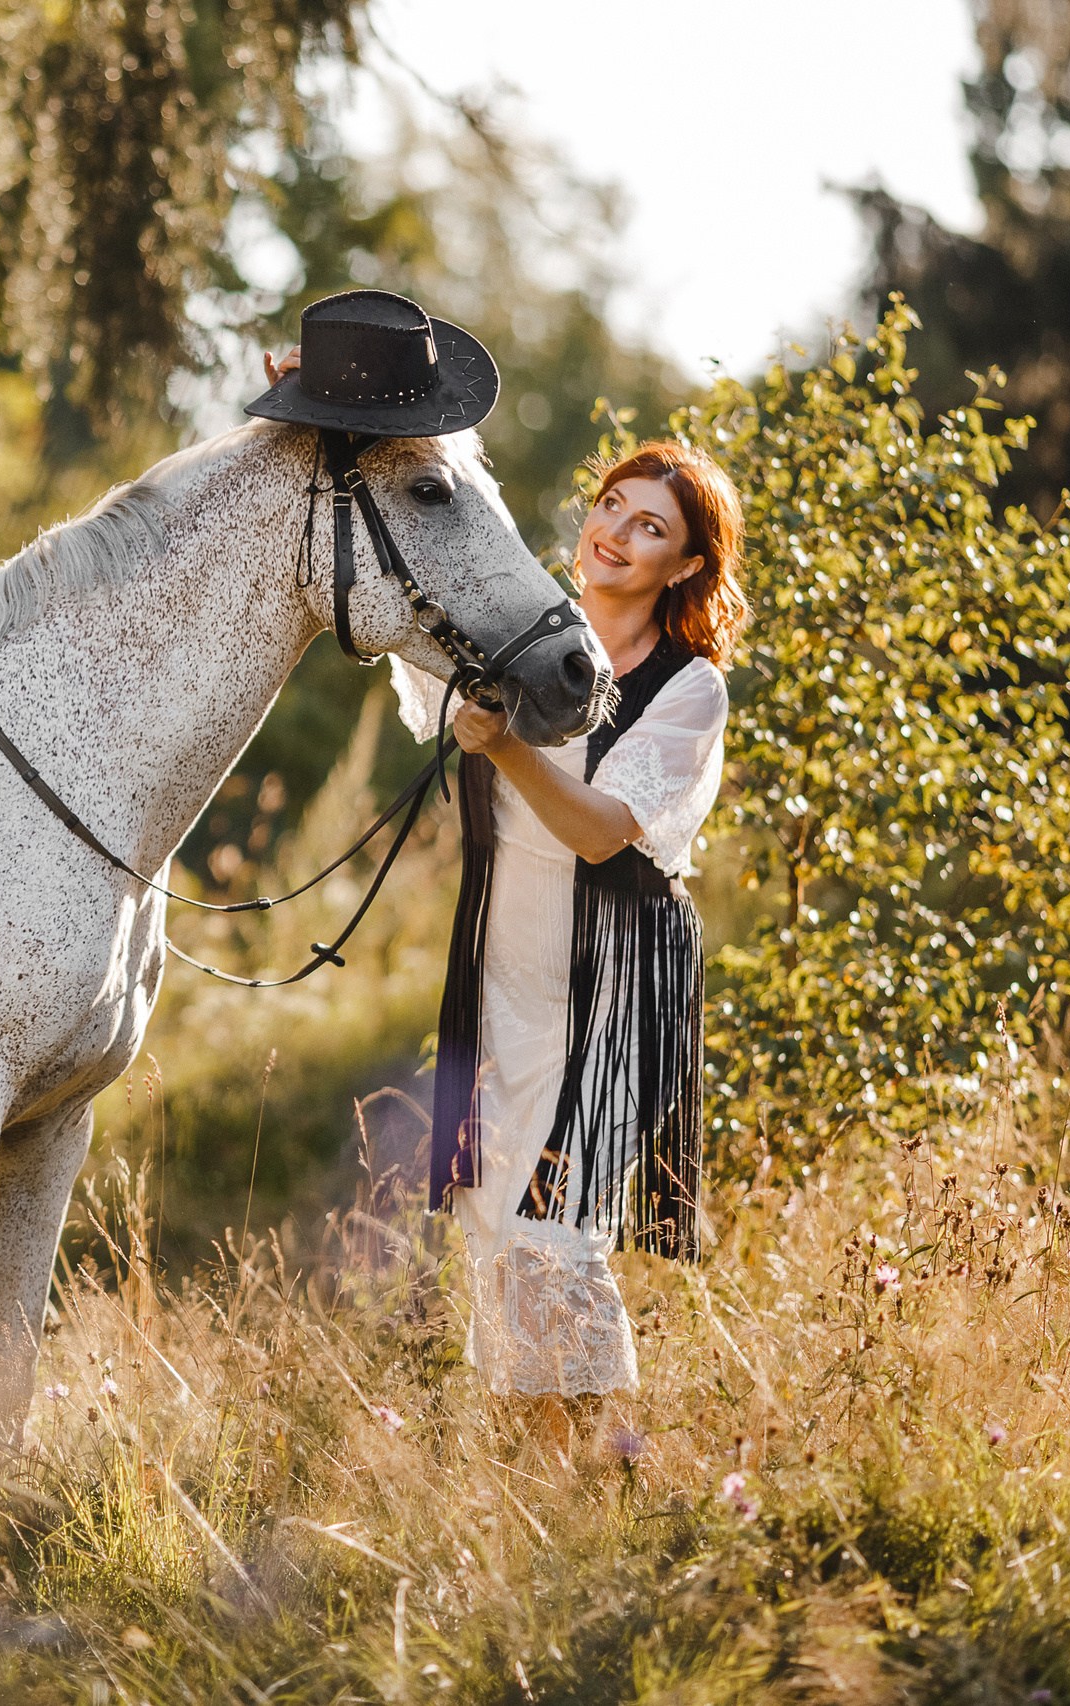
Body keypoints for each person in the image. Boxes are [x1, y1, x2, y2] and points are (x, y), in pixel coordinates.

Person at [272, 342, 747, 1461]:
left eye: (650, 529)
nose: (614, 534)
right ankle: (541, 1484)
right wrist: (336, 410)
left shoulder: (689, 690)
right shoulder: (524, 636)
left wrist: (511, 752)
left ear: (683, 568)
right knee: (494, 1222)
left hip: (610, 980)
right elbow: (408, 556)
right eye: (611, 507)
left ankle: (601, 1474)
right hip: (499, 966)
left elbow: (596, 831)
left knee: (553, 1228)